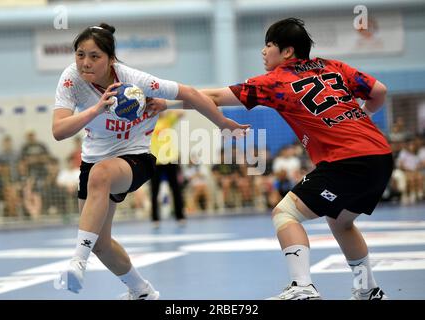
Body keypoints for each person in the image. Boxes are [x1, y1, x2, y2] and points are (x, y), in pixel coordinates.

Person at [148, 18, 393, 300]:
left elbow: (213, 96)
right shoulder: (333, 67)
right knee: (341, 222)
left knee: (285, 213)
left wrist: (165, 102)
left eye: (268, 45)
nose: (263, 52)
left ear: (287, 52)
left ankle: (302, 288)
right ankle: (368, 290)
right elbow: (379, 91)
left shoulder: (276, 81)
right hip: (381, 155)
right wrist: (360, 119)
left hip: (347, 161)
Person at [52, 23, 249, 300]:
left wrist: (223, 123)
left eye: (94, 56)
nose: (85, 62)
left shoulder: (134, 80)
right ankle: (142, 291)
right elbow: (59, 131)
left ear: (111, 59)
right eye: (80, 54)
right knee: (101, 244)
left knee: (101, 175)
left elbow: (191, 93)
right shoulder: (71, 79)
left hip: (135, 156)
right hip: (93, 158)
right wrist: (97, 108)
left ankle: (77, 261)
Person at [149, 110, 186, 228]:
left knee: (176, 189)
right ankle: (155, 218)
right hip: (156, 161)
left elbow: (181, 113)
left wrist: (166, 108)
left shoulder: (168, 120)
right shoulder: (150, 121)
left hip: (170, 159)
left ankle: (180, 216)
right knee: (154, 191)